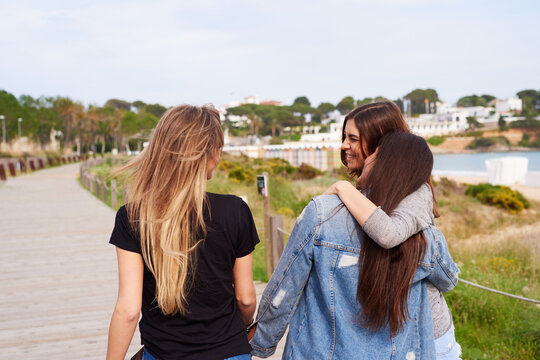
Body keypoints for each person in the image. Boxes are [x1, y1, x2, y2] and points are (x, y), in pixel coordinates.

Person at [249, 131, 460, 359]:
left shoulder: (323, 212)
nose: (367, 158)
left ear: (387, 164)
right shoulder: (425, 237)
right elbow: (449, 281)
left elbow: (286, 284)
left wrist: (261, 342)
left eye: (374, 154)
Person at [106, 105, 259, 360]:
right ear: (208, 154)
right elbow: (245, 300)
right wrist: (242, 325)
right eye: (218, 148)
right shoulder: (235, 211)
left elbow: (128, 311)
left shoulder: (133, 217)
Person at [323, 102, 461, 359]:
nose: (343, 145)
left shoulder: (415, 193)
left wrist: (344, 188)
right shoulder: (361, 193)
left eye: (352, 138)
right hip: (377, 334)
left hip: (426, 336)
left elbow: (388, 234)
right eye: (344, 137)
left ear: (379, 147)